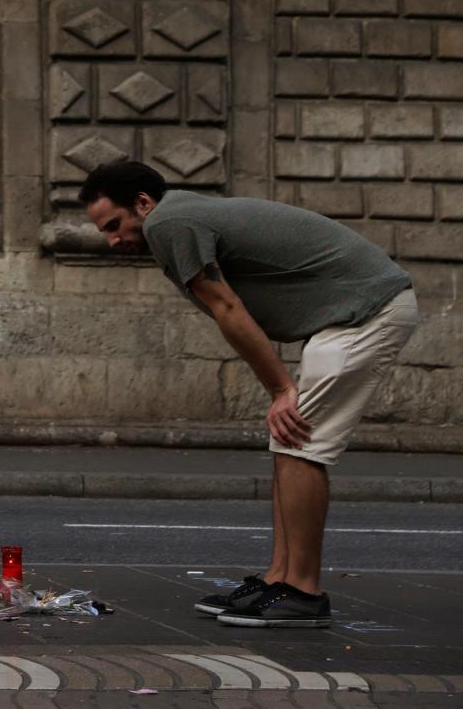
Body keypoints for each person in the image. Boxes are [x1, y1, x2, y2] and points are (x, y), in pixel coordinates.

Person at [79, 161, 418, 628]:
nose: (112, 240)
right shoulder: (177, 219)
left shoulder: (168, 222)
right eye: (104, 232)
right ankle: (280, 579)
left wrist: (282, 387)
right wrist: (280, 390)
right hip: (346, 317)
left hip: (369, 311)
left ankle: (304, 591)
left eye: (114, 226)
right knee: (288, 440)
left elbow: (228, 308)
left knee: (302, 441)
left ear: (142, 203)